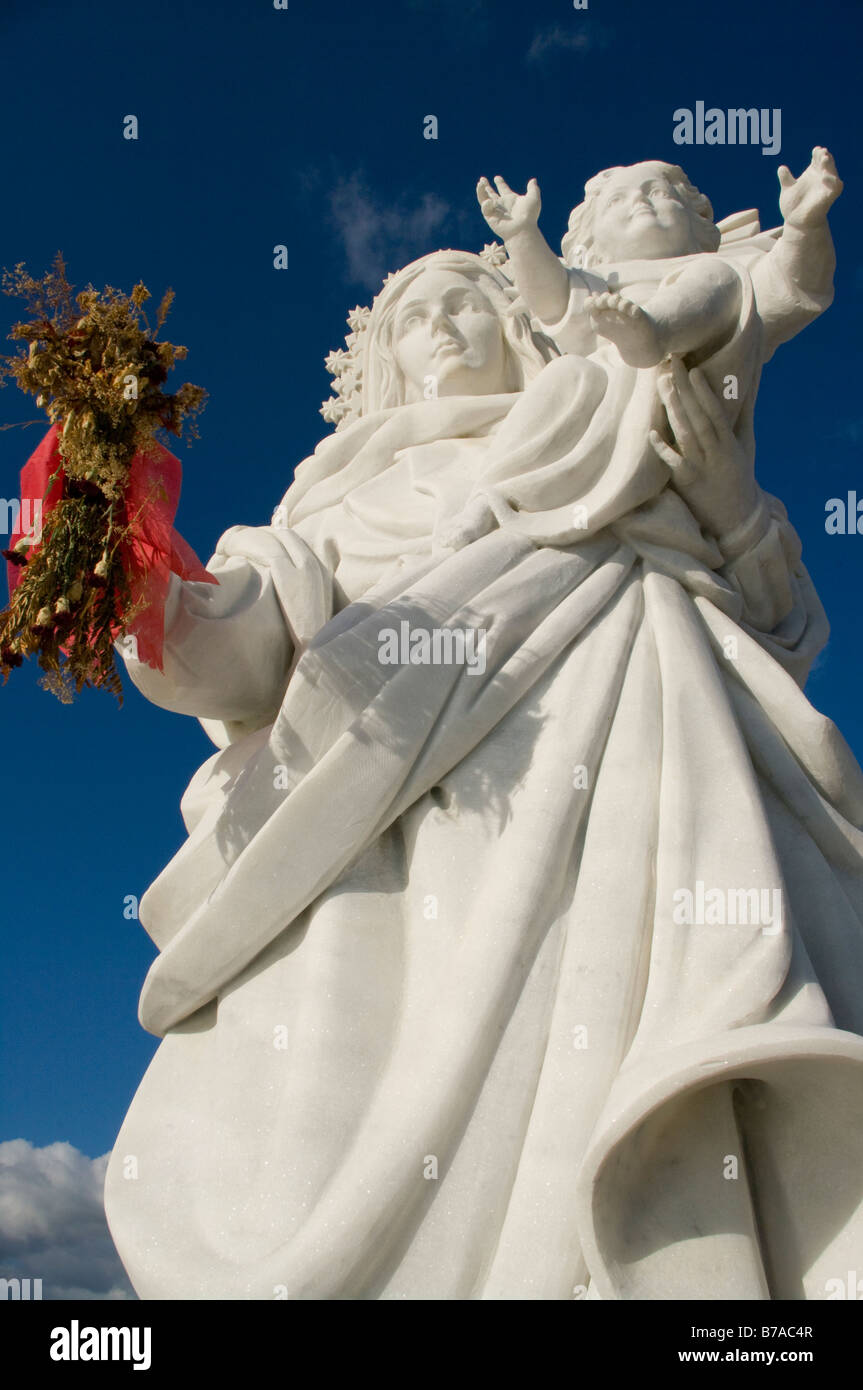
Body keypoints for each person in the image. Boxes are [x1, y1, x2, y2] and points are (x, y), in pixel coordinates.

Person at [104, 248, 863, 1301]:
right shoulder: (323, 509)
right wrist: (146, 587)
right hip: (401, 876)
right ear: (386, 365)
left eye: (470, 299)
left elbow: (773, 631)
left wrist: (731, 509)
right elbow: (249, 653)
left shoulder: (601, 423)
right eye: (416, 316)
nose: (448, 323)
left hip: (648, 822)